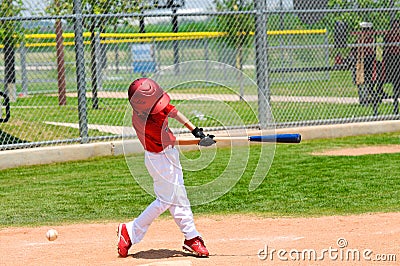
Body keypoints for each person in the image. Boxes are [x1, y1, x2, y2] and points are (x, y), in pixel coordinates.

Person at [117, 78, 214, 258]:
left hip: (170, 154)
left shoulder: (155, 104)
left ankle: (191, 237)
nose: (160, 106)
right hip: (158, 159)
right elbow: (174, 140)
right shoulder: (145, 122)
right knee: (166, 200)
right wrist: (200, 142)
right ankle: (130, 230)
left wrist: (196, 131)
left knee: (180, 196)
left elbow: (173, 111)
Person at [384, 19, 400, 114]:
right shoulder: (388, 35)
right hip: (392, 59)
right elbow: (385, 49)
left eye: (397, 26)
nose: (396, 28)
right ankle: (395, 107)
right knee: (395, 83)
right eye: (394, 26)